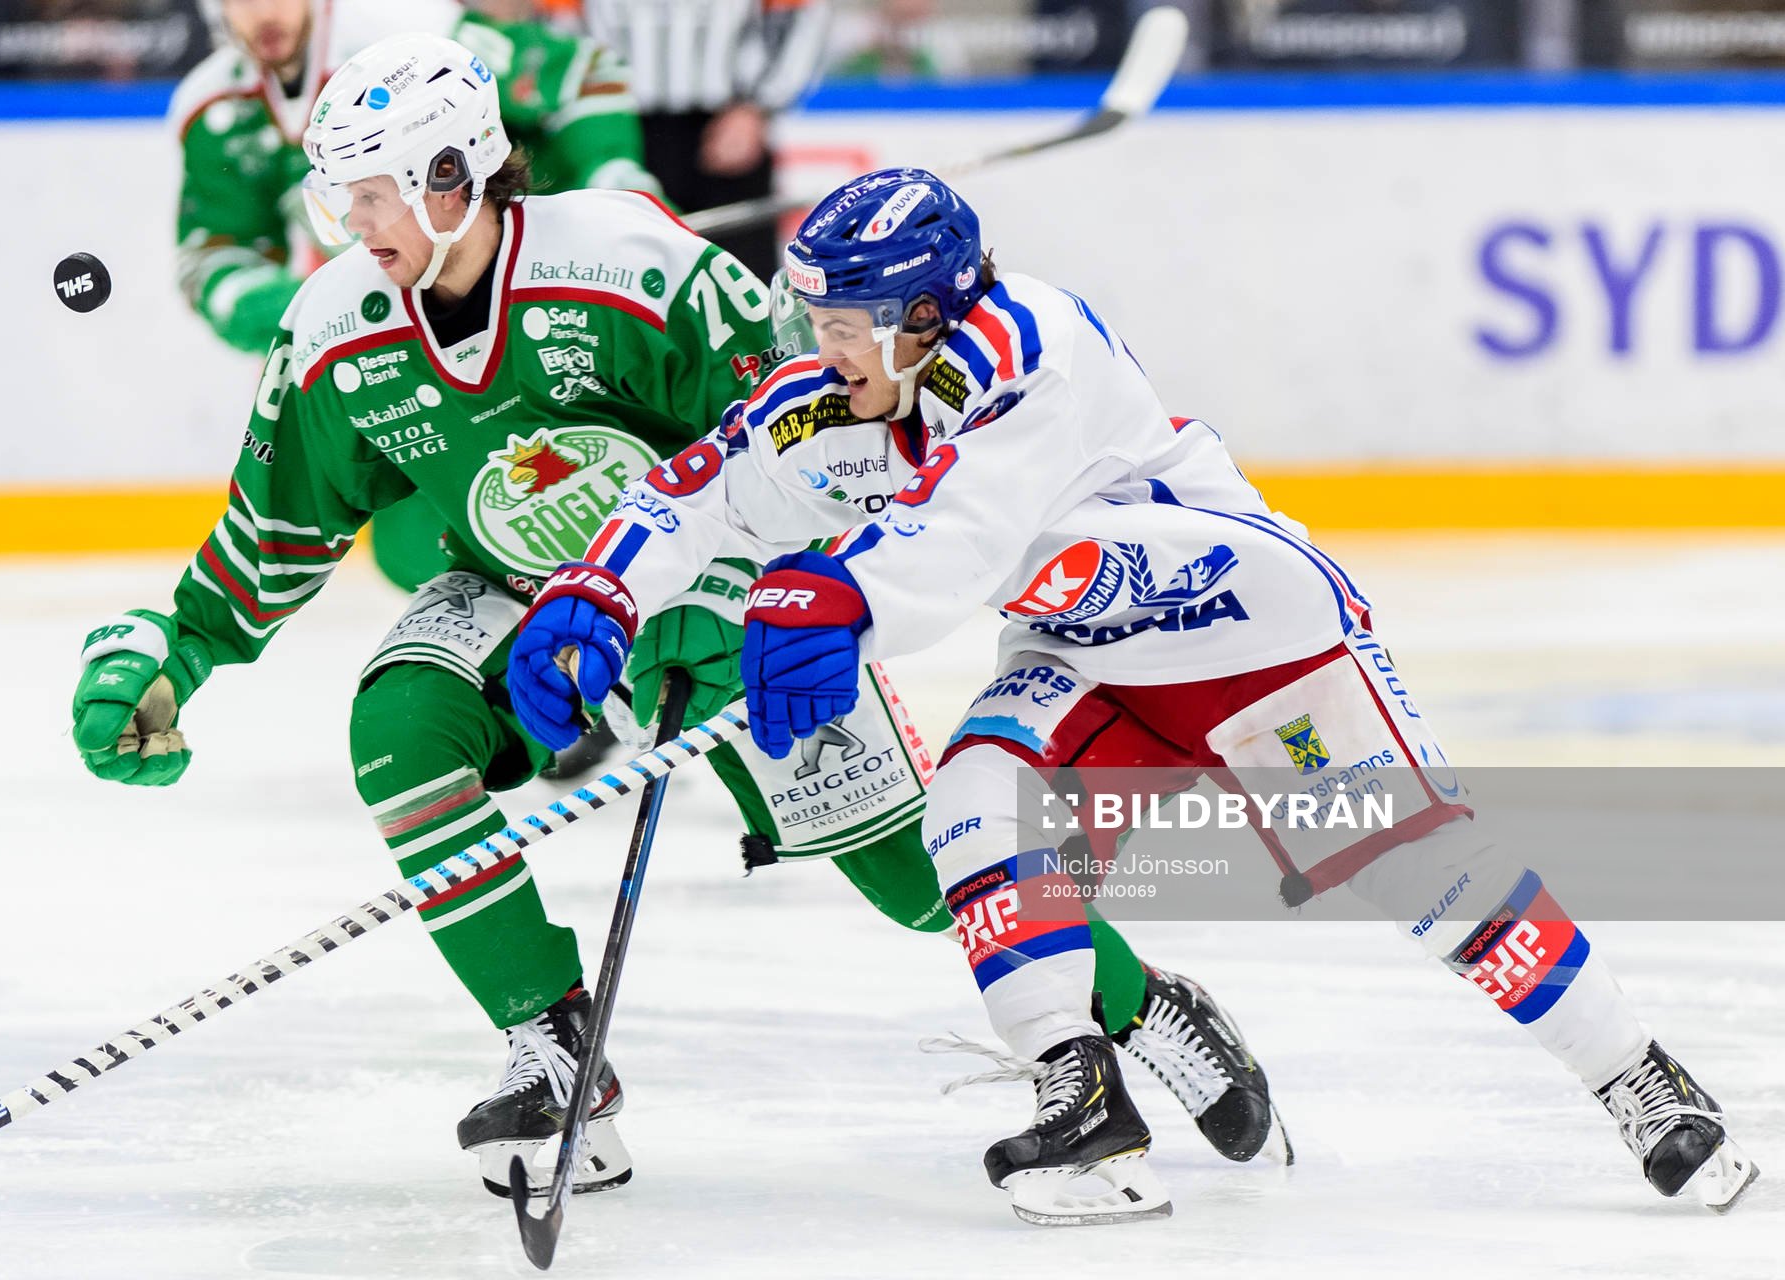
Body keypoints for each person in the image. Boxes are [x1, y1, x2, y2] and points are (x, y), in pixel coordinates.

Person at [504, 167, 1759, 1222]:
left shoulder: (1033, 349)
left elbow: (963, 538)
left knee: (1435, 885)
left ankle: (1638, 1074)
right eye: (814, 322)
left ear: (925, 315)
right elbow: (701, 487)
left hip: (1250, 635)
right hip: (1087, 654)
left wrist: (832, 595)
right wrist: (601, 592)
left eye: (844, 326)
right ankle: (1081, 1097)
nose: (817, 352)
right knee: (973, 811)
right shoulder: (838, 393)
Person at [72, 33, 950, 1200]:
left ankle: (1132, 1011)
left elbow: (820, 441)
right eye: (339, 194)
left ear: (453, 176)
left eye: (373, 193)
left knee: (923, 883)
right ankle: (553, 1043)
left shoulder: (635, 264)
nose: (349, 224)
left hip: (716, 583)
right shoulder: (339, 327)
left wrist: (771, 592)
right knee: (403, 725)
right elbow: (276, 530)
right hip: (520, 590)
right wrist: (180, 650)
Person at [174, 0, 658, 594]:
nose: (261, 13)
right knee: (417, 549)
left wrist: (613, 175)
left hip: (545, 308)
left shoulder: (411, 39)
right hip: (415, 335)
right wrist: (313, 314)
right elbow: (215, 254)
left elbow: (581, 71)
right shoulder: (217, 111)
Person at [555, 0, 834, 282]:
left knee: (739, 277)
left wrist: (756, 108)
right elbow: (559, 20)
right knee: (624, 272)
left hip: (726, 120)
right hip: (617, 120)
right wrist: (582, 109)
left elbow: (804, 15)